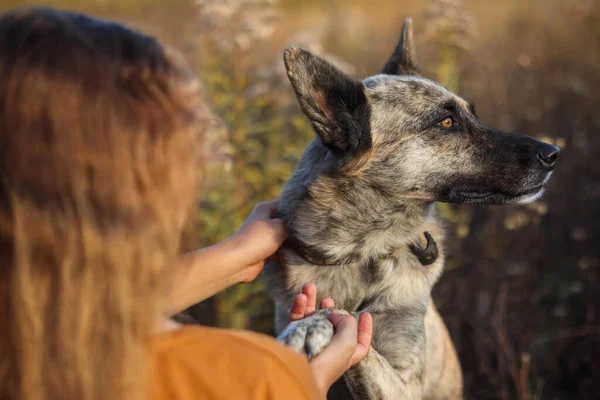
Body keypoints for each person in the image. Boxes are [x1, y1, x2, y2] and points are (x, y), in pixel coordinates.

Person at [0, 7, 372, 400]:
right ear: (159, 190)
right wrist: (304, 384)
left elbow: (69, 305)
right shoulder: (245, 377)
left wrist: (233, 258)